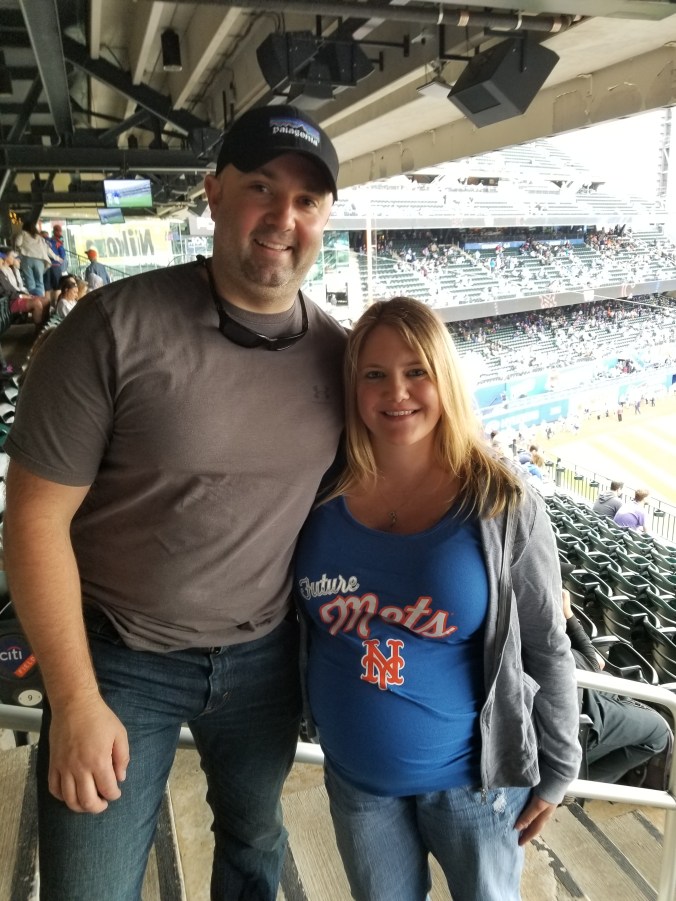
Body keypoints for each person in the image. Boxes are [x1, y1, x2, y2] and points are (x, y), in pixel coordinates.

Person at [3, 103, 346, 901]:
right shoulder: (110, 327)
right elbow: (33, 519)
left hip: (265, 658)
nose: (282, 217)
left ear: (325, 217)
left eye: (306, 201)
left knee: (256, 847)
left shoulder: (341, 354)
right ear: (214, 194)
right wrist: (75, 695)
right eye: (262, 187)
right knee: (88, 887)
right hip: (116, 661)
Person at [294, 297, 581, 901]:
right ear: (353, 386)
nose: (396, 391)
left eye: (415, 370)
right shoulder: (314, 489)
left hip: (475, 790)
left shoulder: (502, 501)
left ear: (443, 377)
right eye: (374, 374)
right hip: (357, 784)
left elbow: (545, 644)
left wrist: (558, 769)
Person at [563, 578, 671, 785]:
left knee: (612, 681)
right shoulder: (535, 607)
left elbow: (595, 665)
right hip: (577, 707)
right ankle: (576, 782)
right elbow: (594, 665)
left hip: (575, 683)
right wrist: (567, 614)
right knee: (660, 731)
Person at [44, 224, 67, 305]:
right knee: (57, 287)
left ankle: (47, 307)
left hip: (45, 266)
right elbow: (63, 255)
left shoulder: (45, 240)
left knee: (47, 288)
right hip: (56, 266)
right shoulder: (57, 241)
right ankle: (56, 306)